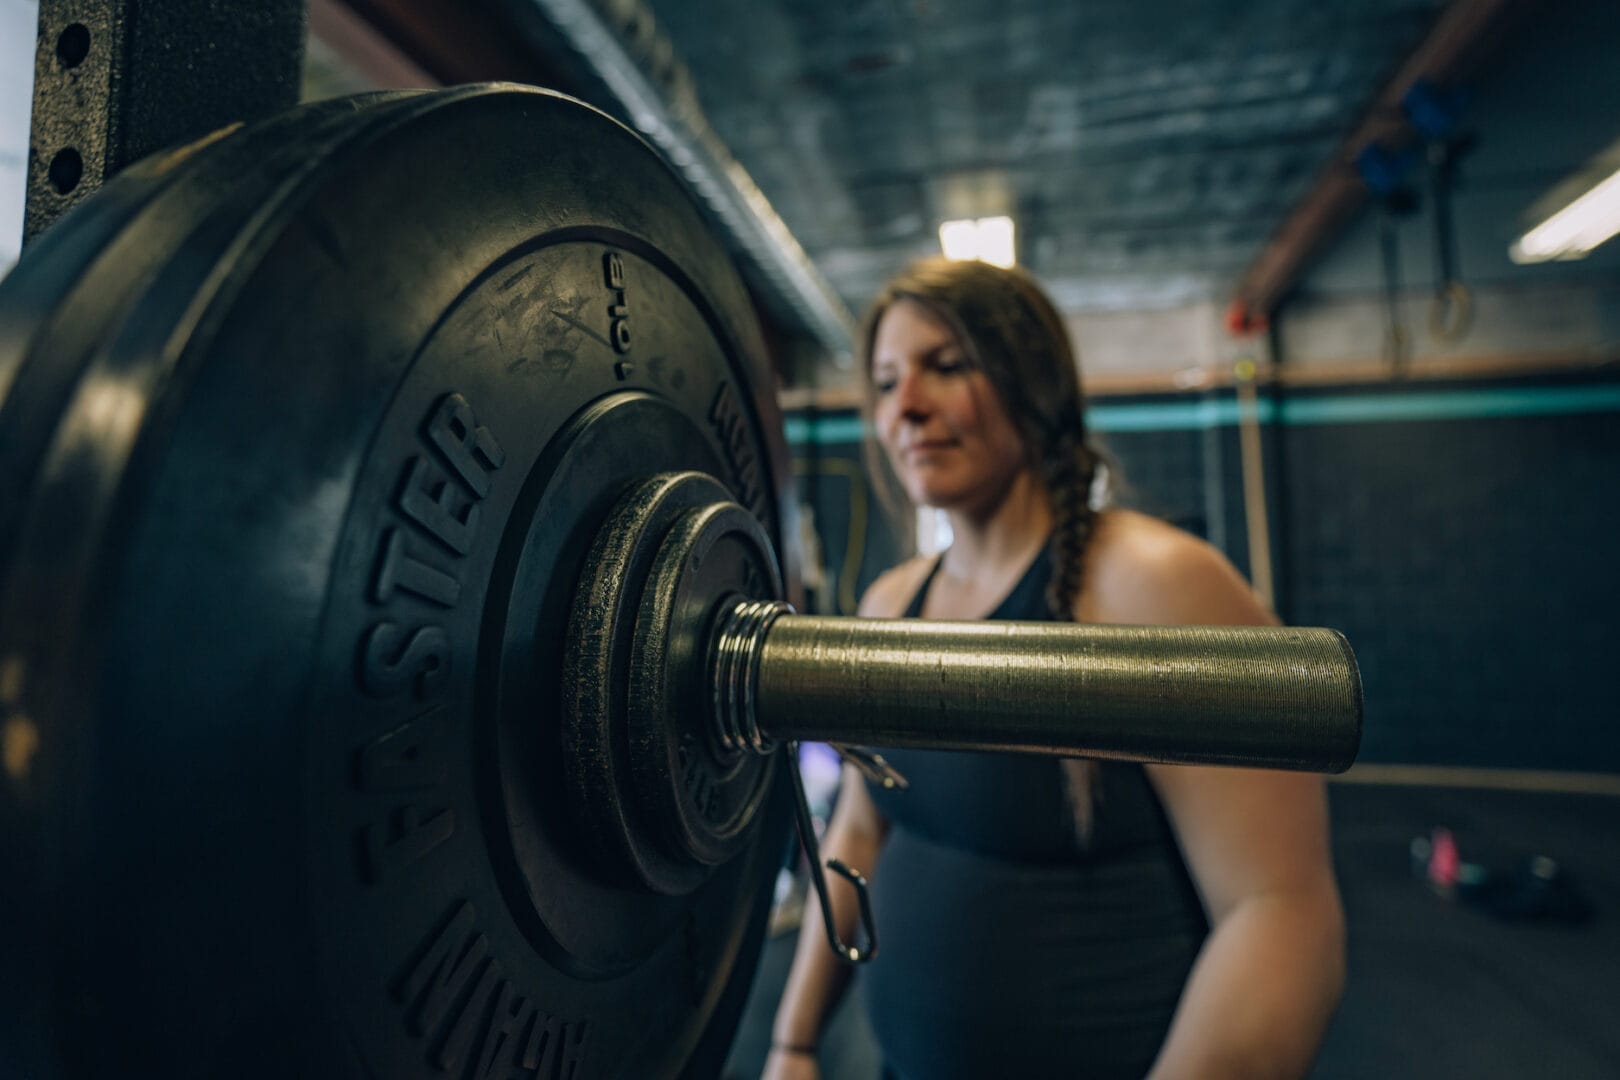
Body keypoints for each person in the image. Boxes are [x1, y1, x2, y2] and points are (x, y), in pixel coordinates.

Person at [762, 257, 1345, 1080]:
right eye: (887, 384)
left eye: (946, 365)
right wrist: (792, 1043)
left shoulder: (1157, 584)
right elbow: (858, 833)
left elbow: (1280, 913)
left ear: (1032, 382)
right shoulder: (892, 604)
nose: (907, 408)